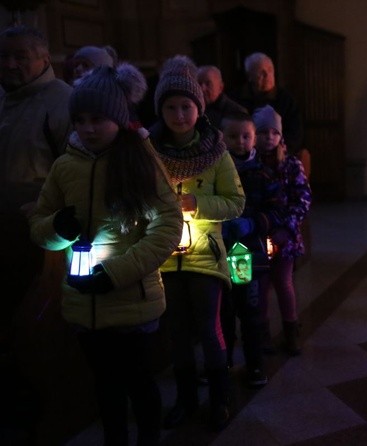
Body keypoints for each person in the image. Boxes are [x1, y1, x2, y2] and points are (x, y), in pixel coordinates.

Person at [28, 64, 183, 446]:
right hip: (84, 303)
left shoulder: (140, 162)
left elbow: (167, 225)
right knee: (105, 386)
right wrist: (56, 229)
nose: (87, 127)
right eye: (79, 119)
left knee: (139, 383)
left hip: (133, 300)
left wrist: (117, 272)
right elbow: (40, 224)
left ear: (118, 118)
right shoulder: (65, 167)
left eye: (97, 119)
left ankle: (148, 438)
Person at [148, 55, 245, 431]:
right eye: (170, 107)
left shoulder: (215, 151)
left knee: (208, 328)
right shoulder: (151, 151)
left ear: (198, 108)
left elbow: (236, 202)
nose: (179, 114)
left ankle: (220, 396)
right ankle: (186, 400)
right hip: (164, 258)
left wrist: (198, 204)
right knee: (177, 333)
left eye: (186, 106)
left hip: (205, 257)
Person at [0, 24, 72, 359]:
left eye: (20, 57)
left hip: (36, 238)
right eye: (4, 56)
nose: (10, 64)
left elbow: (73, 170)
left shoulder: (63, 101)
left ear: (44, 58)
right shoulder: (3, 99)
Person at [219, 111, 285, 388]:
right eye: (233, 136)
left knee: (249, 310)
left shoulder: (263, 173)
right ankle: (223, 362)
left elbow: (277, 210)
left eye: (246, 136)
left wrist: (253, 224)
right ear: (222, 139)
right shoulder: (217, 173)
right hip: (221, 251)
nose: (240, 142)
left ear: (254, 139)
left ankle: (254, 364)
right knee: (224, 310)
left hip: (248, 252)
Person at [252, 105, 311, 356]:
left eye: (274, 133)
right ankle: (262, 334)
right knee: (261, 286)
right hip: (257, 235)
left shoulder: (290, 165)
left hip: (284, 237)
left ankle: (291, 331)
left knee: (284, 283)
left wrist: (287, 228)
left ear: (281, 136)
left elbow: (302, 199)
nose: (269, 137)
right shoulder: (249, 164)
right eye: (263, 132)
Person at [230, 52, 304, 155]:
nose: (268, 75)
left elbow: (295, 134)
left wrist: (282, 148)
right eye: (262, 72)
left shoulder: (285, 100)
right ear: (249, 76)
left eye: (270, 70)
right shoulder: (236, 98)